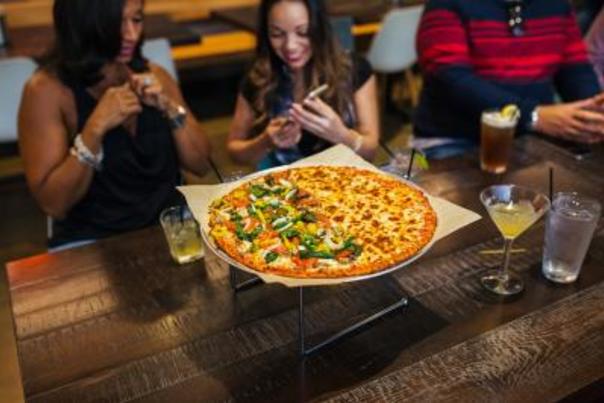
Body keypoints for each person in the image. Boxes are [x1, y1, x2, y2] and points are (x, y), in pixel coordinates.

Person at [18, 0, 211, 249]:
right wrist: (94, 129)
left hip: (171, 228)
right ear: (84, 25)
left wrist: (169, 107)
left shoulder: (154, 74)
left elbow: (202, 164)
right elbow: (54, 203)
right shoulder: (47, 91)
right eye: (117, 23)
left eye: (137, 20)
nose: (132, 34)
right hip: (92, 241)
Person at [414, 0, 604, 155]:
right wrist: (532, 115)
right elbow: (450, 79)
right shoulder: (446, 4)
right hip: (456, 139)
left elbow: (575, 68)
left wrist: (591, 109)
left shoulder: (558, 5)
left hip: (534, 138)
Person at [227, 0, 379, 169]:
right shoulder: (260, 76)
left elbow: (370, 152)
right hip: (280, 188)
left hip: (343, 185)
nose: (290, 46)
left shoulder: (354, 70)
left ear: (319, 29)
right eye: (277, 34)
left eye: (303, 32)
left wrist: (340, 134)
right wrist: (265, 142)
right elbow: (235, 152)